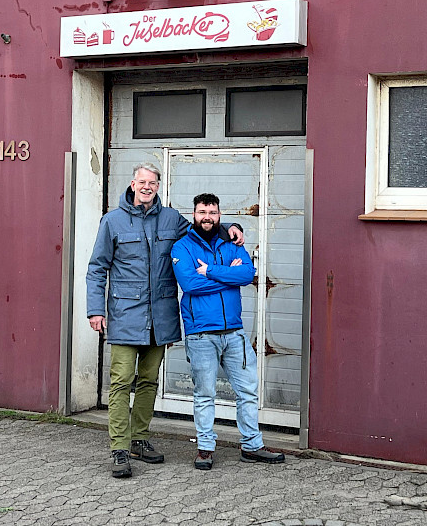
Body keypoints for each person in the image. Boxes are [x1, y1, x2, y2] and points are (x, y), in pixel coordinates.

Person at [87, 164, 244, 479]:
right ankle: (119, 447)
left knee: (148, 381)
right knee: (120, 382)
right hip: (125, 316)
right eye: (142, 182)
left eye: (153, 183)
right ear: (133, 183)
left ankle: (139, 439)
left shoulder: (172, 219)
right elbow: (97, 267)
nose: (147, 187)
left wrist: (231, 227)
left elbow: (203, 231)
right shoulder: (112, 221)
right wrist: (95, 310)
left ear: (158, 186)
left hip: (160, 317)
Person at [171, 192, 286, 470]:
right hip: (201, 334)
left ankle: (252, 446)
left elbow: (247, 275)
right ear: (194, 214)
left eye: (212, 212)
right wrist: (227, 276)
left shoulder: (232, 242)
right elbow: (190, 284)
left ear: (219, 215)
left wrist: (210, 270)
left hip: (234, 332)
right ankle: (205, 448)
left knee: (248, 390)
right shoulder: (182, 248)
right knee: (204, 393)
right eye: (201, 212)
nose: (207, 217)